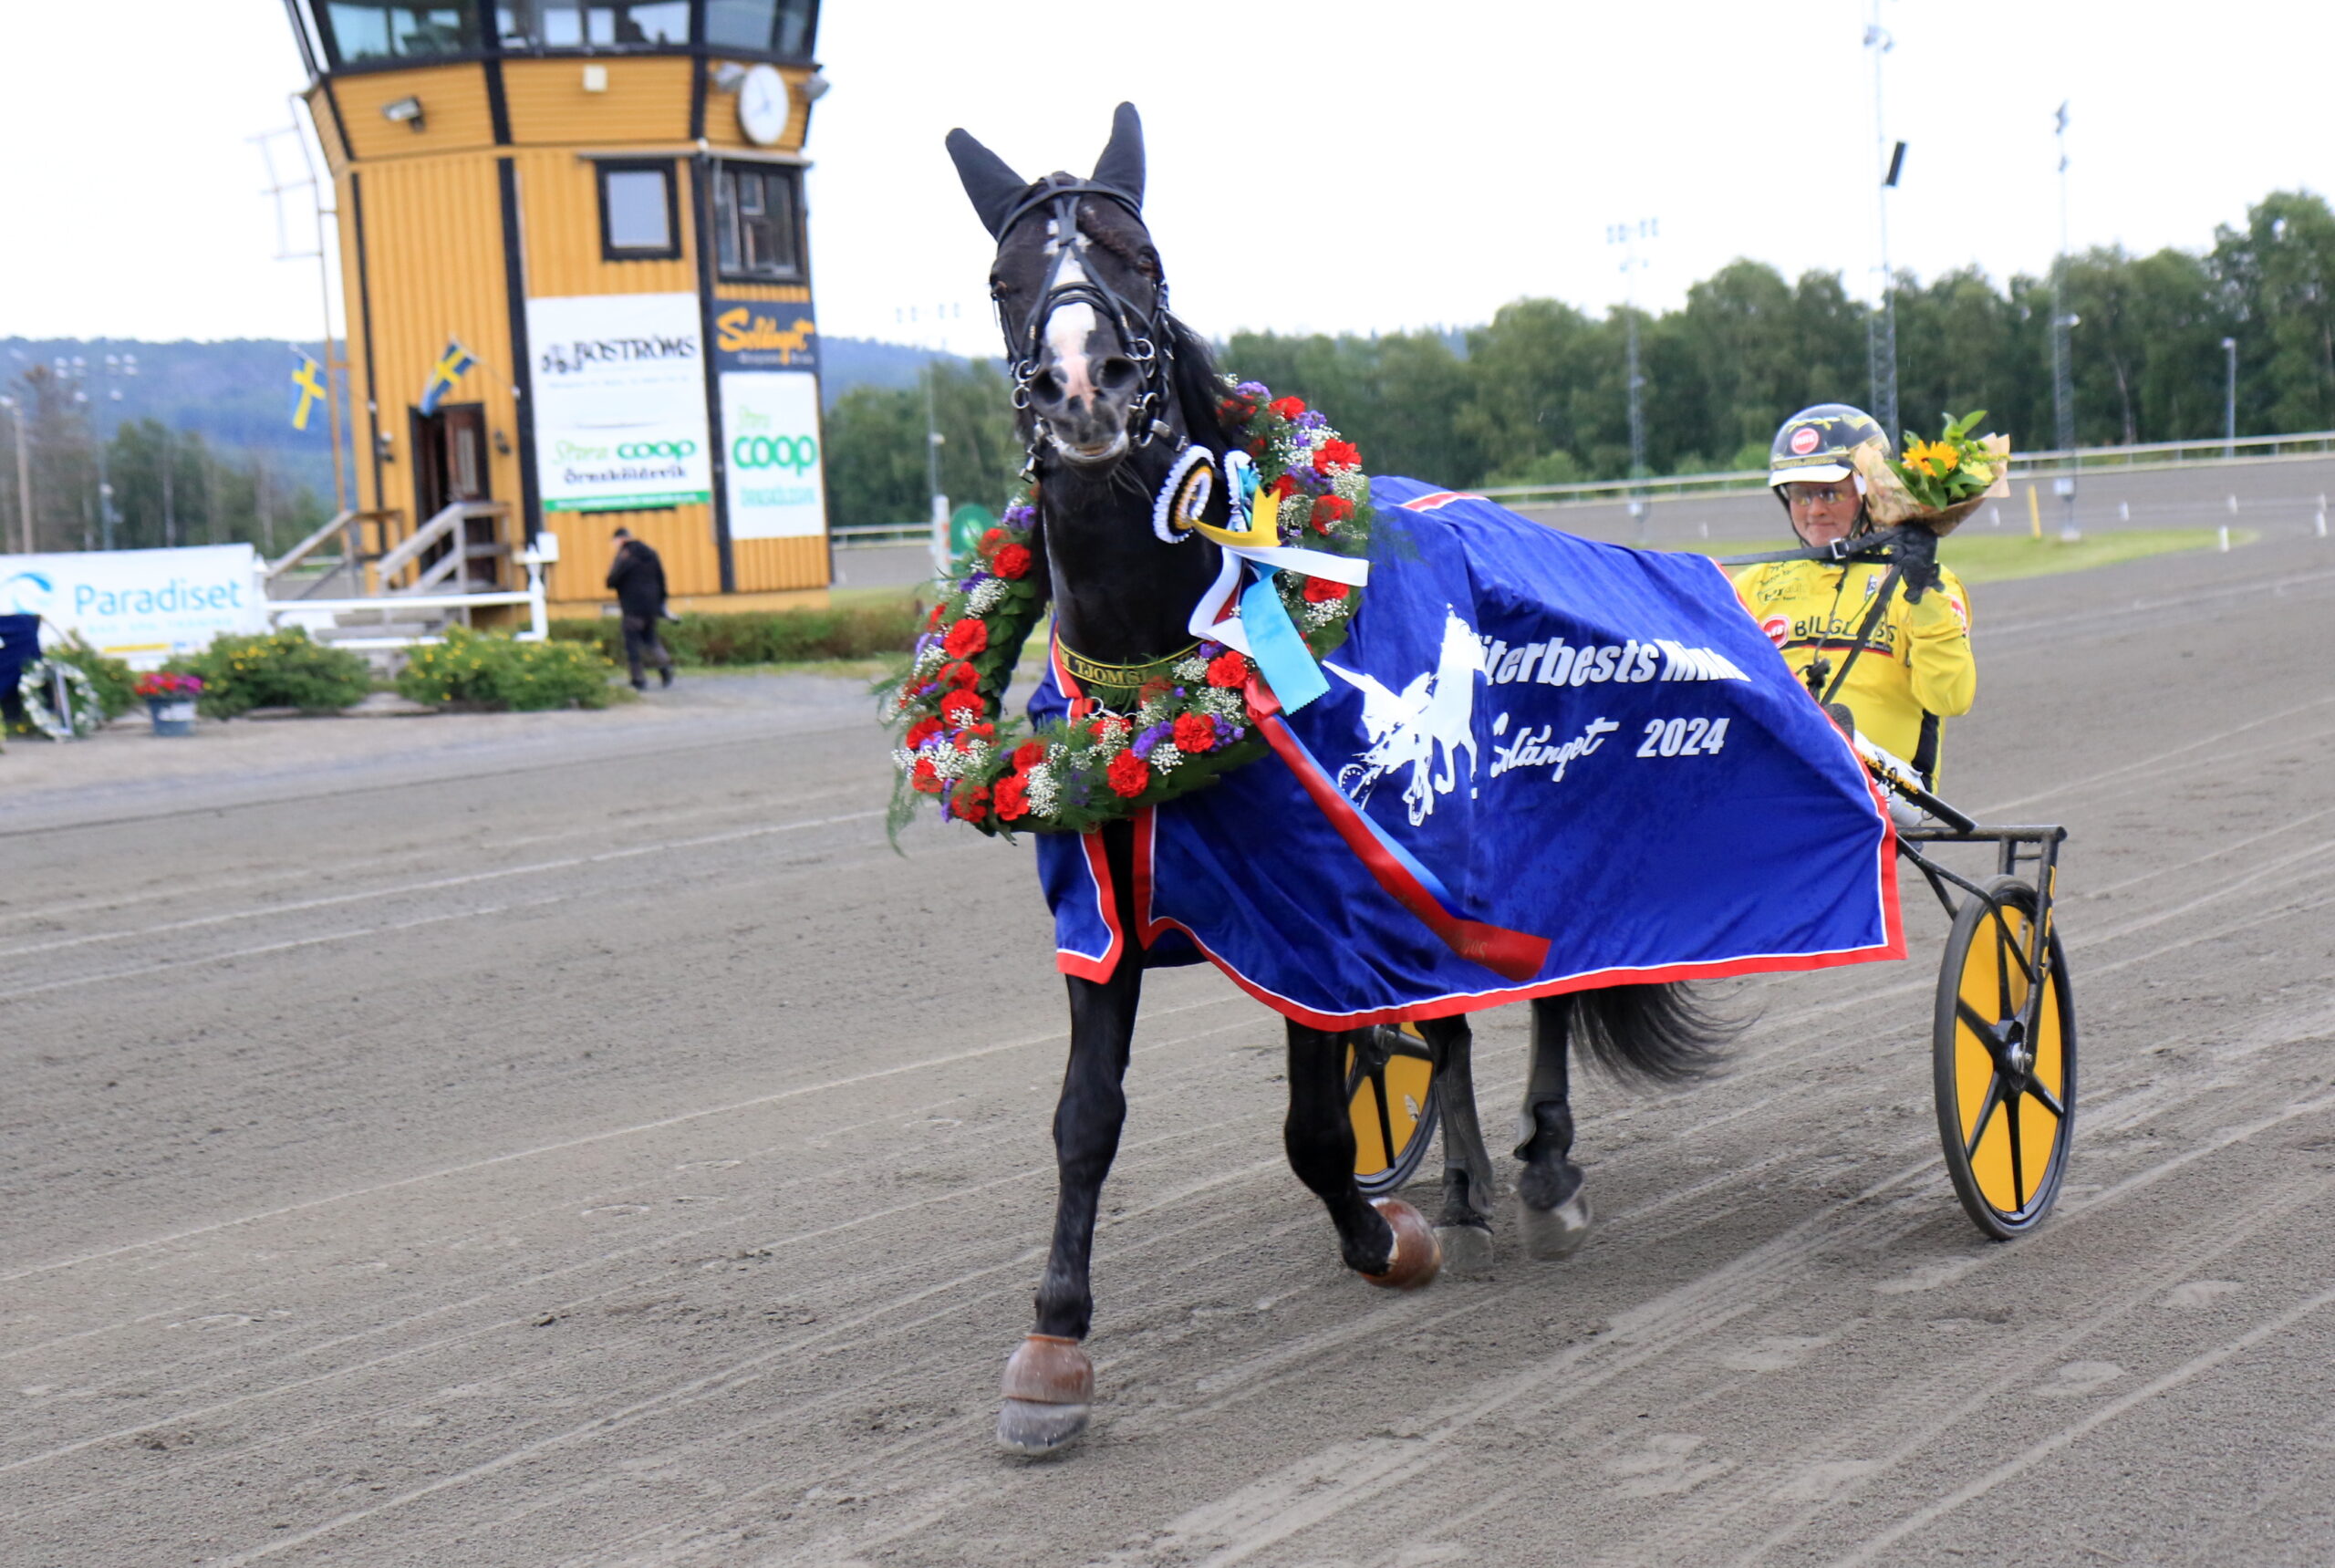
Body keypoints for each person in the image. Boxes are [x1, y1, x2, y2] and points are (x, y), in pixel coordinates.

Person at [1734, 404, 1975, 786]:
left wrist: (1922, 589)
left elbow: (1951, 699)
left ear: (1871, 491)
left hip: (1885, 801)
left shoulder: (1927, 585)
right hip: (1779, 785)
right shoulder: (1751, 585)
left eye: (1830, 494)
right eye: (1800, 496)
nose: (1814, 511)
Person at [606, 526, 675, 691]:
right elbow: (661, 578)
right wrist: (661, 602)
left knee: (632, 643)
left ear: (620, 540)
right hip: (651, 605)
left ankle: (638, 679)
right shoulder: (651, 553)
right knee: (651, 639)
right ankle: (665, 666)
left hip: (632, 606)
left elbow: (611, 580)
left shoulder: (624, 556)